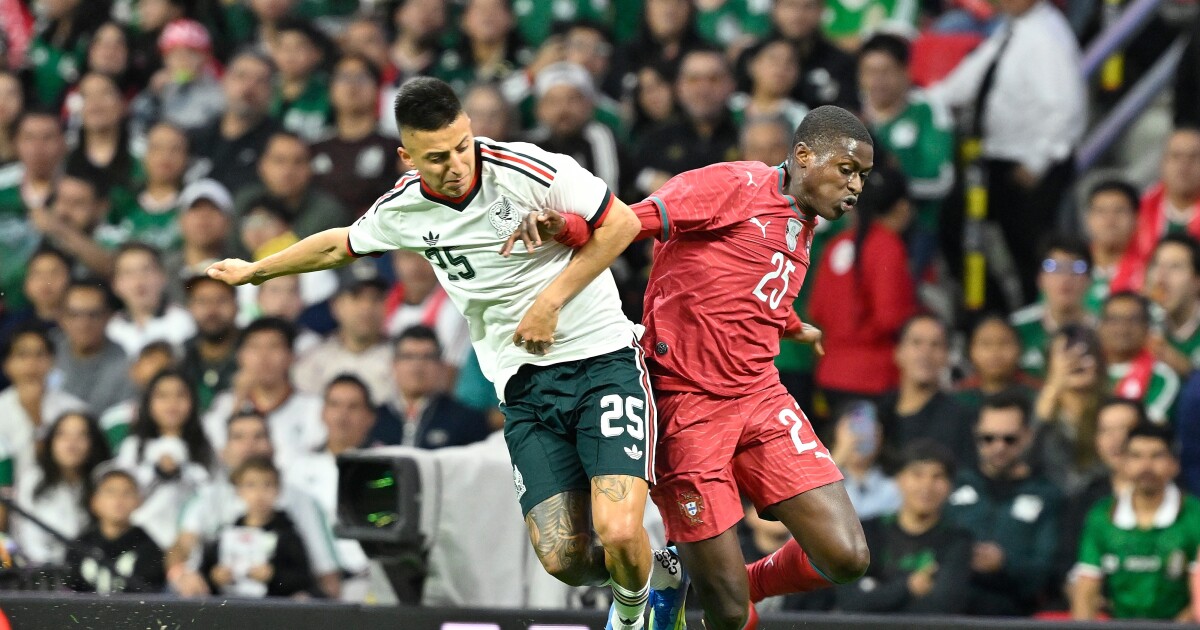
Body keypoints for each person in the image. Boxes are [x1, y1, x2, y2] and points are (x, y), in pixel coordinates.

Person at [206, 76, 675, 630]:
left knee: (620, 527)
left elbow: (621, 223)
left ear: (471, 131)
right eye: (436, 157)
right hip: (524, 388)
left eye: (461, 147)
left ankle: (635, 615)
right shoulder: (404, 210)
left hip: (602, 363)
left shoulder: (527, 169)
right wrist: (258, 270)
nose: (455, 164)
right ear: (408, 157)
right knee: (564, 560)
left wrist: (550, 302)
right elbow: (339, 243)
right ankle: (652, 577)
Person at [545, 105, 873, 630]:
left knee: (846, 557)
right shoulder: (733, 185)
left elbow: (741, 280)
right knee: (726, 613)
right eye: (847, 170)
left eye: (863, 176)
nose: (856, 186)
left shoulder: (805, 218)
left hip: (760, 396)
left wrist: (789, 323)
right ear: (804, 155)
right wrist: (566, 226)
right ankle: (705, 593)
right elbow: (632, 221)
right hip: (686, 407)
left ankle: (735, 583)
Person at [926, 0, 1086, 305]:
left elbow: (1067, 106)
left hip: (1032, 164)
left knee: (1030, 249)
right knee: (958, 227)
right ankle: (996, 309)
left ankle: (1031, 311)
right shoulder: (1013, 29)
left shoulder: (1048, 35)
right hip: (1000, 157)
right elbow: (970, 78)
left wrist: (1036, 163)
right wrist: (926, 101)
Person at [167, 411, 340, 599]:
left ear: (273, 447)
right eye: (239, 437)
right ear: (224, 451)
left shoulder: (303, 501)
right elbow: (182, 547)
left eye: (258, 436)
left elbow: (327, 575)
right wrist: (182, 575)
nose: (249, 445)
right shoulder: (205, 497)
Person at [945, 391, 1062, 616]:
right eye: (988, 438)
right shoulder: (953, 485)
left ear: (1028, 436)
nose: (999, 447)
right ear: (976, 434)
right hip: (953, 609)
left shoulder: (1049, 496)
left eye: (1010, 439)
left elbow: (1046, 570)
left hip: (1015, 613)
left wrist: (1004, 565)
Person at [809, 165, 917, 404]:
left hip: (830, 374)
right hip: (875, 378)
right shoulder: (888, 247)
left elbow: (816, 310)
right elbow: (891, 318)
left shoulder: (836, 244)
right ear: (902, 207)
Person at [1071, 422, 1200, 621]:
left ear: (1175, 464)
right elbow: (1086, 589)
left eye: (1156, 456)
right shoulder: (1101, 516)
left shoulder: (1195, 515)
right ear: (1123, 463)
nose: (1146, 466)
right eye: (1136, 456)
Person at [834, 439, 973, 614]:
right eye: (917, 474)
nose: (927, 486)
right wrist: (908, 587)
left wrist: (878, 592)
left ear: (950, 486)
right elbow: (850, 601)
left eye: (937, 477)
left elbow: (944, 605)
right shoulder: (867, 531)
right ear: (899, 480)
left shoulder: (957, 540)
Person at [856, 34, 954, 275]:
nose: (877, 81)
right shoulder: (850, 114)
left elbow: (941, 180)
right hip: (856, 223)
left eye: (886, 72)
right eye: (870, 71)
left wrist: (889, 184)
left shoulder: (926, 110)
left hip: (914, 224)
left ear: (905, 72)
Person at [202, 317, 325, 467]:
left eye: (274, 347)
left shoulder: (314, 407)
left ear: (291, 356)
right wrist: (238, 402)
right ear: (240, 356)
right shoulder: (224, 405)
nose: (264, 356)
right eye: (255, 347)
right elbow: (219, 455)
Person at [116, 368, 215, 549]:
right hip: (139, 541)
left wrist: (182, 472)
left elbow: (210, 494)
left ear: (193, 401)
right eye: (162, 396)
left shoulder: (207, 446)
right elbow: (122, 493)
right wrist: (158, 472)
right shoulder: (132, 447)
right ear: (148, 403)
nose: (172, 403)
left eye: (180, 395)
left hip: (190, 543)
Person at [201, 456, 315, 597]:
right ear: (238, 491)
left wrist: (273, 576)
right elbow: (206, 571)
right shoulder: (226, 533)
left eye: (267, 485)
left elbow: (303, 579)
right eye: (251, 485)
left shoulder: (287, 535)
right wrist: (214, 578)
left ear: (278, 490)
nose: (259, 494)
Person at [633, 48, 739, 197]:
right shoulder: (654, 141)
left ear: (731, 85)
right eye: (693, 80)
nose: (703, 89)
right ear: (679, 87)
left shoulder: (748, 136)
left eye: (714, 79)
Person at [12, 412, 110, 566]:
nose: (71, 443)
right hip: (40, 571)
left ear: (93, 442)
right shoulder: (33, 479)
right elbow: (27, 536)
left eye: (81, 435)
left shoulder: (102, 480)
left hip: (88, 573)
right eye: (62, 435)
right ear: (51, 441)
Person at [879, 314, 977, 467]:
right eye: (916, 343)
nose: (925, 353)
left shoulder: (962, 418)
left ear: (946, 356)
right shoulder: (877, 413)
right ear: (898, 352)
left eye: (935, 344)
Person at [310, 54, 400, 219]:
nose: (352, 85)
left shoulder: (395, 147)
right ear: (330, 89)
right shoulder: (313, 147)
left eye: (361, 77)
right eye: (343, 77)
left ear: (377, 89)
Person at [371, 325, 490, 449]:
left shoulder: (467, 420)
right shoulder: (371, 418)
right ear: (394, 365)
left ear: (441, 366)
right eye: (408, 357)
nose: (417, 366)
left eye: (427, 357)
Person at [1030, 326, 1111, 496]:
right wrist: (1053, 388)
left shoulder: (1114, 411)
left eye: (1084, 353)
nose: (1076, 362)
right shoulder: (1031, 408)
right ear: (1049, 363)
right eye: (1066, 354)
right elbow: (1024, 457)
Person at [0, 325, 86, 476]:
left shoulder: (74, 409)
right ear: (7, 365)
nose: (31, 363)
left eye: (40, 355)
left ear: (52, 362)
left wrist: (36, 416)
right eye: (22, 355)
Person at [189, 51, 279, 192]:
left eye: (260, 81)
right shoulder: (196, 138)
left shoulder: (277, 145)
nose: (249, 88)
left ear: (271, 92)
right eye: (241, 77)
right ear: (224, 81)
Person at [65, 467, 165, 593]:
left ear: (139, 501)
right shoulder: (79, 546)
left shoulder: (150, 548)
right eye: (110, 492)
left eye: (127, 493)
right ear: (94, 501)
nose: (119, 500)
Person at [293, 278, 393, 403]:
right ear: (336, 305)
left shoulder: (402, 358)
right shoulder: (311, 360)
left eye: (376, 298)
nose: (366, 307)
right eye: (356, 297)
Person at [232, 132, 345, 242]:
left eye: (298, 162)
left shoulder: (328, 214)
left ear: (310, 168)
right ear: (262, 165)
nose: (288, 171)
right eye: (279, 161)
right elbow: (231, 249)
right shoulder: (245, 200)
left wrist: (280, 240)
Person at [1010, 235, 1093, 378]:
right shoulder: (1016, 328)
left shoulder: (1100, 329)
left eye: (1077, 268)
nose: (1066, 278)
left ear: (1089, 280)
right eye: (1054, 267)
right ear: (1040, 279)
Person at [1125, 128, 1200, 279]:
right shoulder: (1137, 211)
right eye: (1176, 156)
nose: (1184, 165)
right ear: (1162, 163)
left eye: (1194, 157)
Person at [54, 280, 137, 414]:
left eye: (93, 314)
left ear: (109, 316)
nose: (84, 324)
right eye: (74, 315)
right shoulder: (46, 353)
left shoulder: (126, 365)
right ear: (61, 318)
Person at [1100, 291, 1180, 423]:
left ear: (1147, 327)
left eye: (1133, 320)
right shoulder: (1088, 370)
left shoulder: (1162, 378)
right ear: (1101, 326)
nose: (1123, 328)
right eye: (1114, 320)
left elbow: (1150, 429)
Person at [106, 243, 197, 355]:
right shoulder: (112, 329)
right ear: (115, 284)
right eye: (128, 273)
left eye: (146, 270)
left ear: (163, 276)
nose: (138, 281)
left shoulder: (183, 321)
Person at [828, 402, 901, 520]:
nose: (859, 437)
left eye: (867, 428)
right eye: (853, 428)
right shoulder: (821, 483)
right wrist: (839, 455)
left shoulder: (894, 488)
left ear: (879, 435)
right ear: (837, 432)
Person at [180, 274, 240, 413]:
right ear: (190, 307)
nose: (212, 310)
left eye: (221, 300)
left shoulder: (254, 350)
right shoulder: (181, 355)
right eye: (202, 301)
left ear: (236, 305)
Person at [954, 315, 1040, 411]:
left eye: (1004, 343)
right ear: (971, 351)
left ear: (1020, 349)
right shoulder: (958, 398)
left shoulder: (1036, 393)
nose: (995, 352)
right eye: (986, 344)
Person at [1146, 234, 1200, 376]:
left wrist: (1189, 372)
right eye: (1156, 265)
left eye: (1175, 267)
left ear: (1197, 280)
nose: (1161, 278)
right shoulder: (1141, 325)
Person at [1083, 180, 1140, 312]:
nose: (1110, 221)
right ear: (1088, 219)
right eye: (1101, 211)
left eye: (1119, 211)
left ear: (1136, 218)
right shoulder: (1071, 267)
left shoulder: (1150, 268)